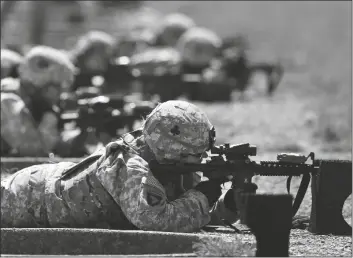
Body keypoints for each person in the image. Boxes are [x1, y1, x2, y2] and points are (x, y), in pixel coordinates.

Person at [1, 100, 257, 232]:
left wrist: (227, 205)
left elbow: (187, 216)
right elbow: (156, 221)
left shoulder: (170, 162)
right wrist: (205, 193)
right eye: (192, 154)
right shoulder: (127, 166)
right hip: (25, 198)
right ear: (170, 149)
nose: (198, 160)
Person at [1, 45, 89, 157]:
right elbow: (32, 151)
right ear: (38, 82)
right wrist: (49, 120)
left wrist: (83, 132)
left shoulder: (34, 104)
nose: (61, 94)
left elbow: (56, 146)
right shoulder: (7, 101)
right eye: (56, 86)